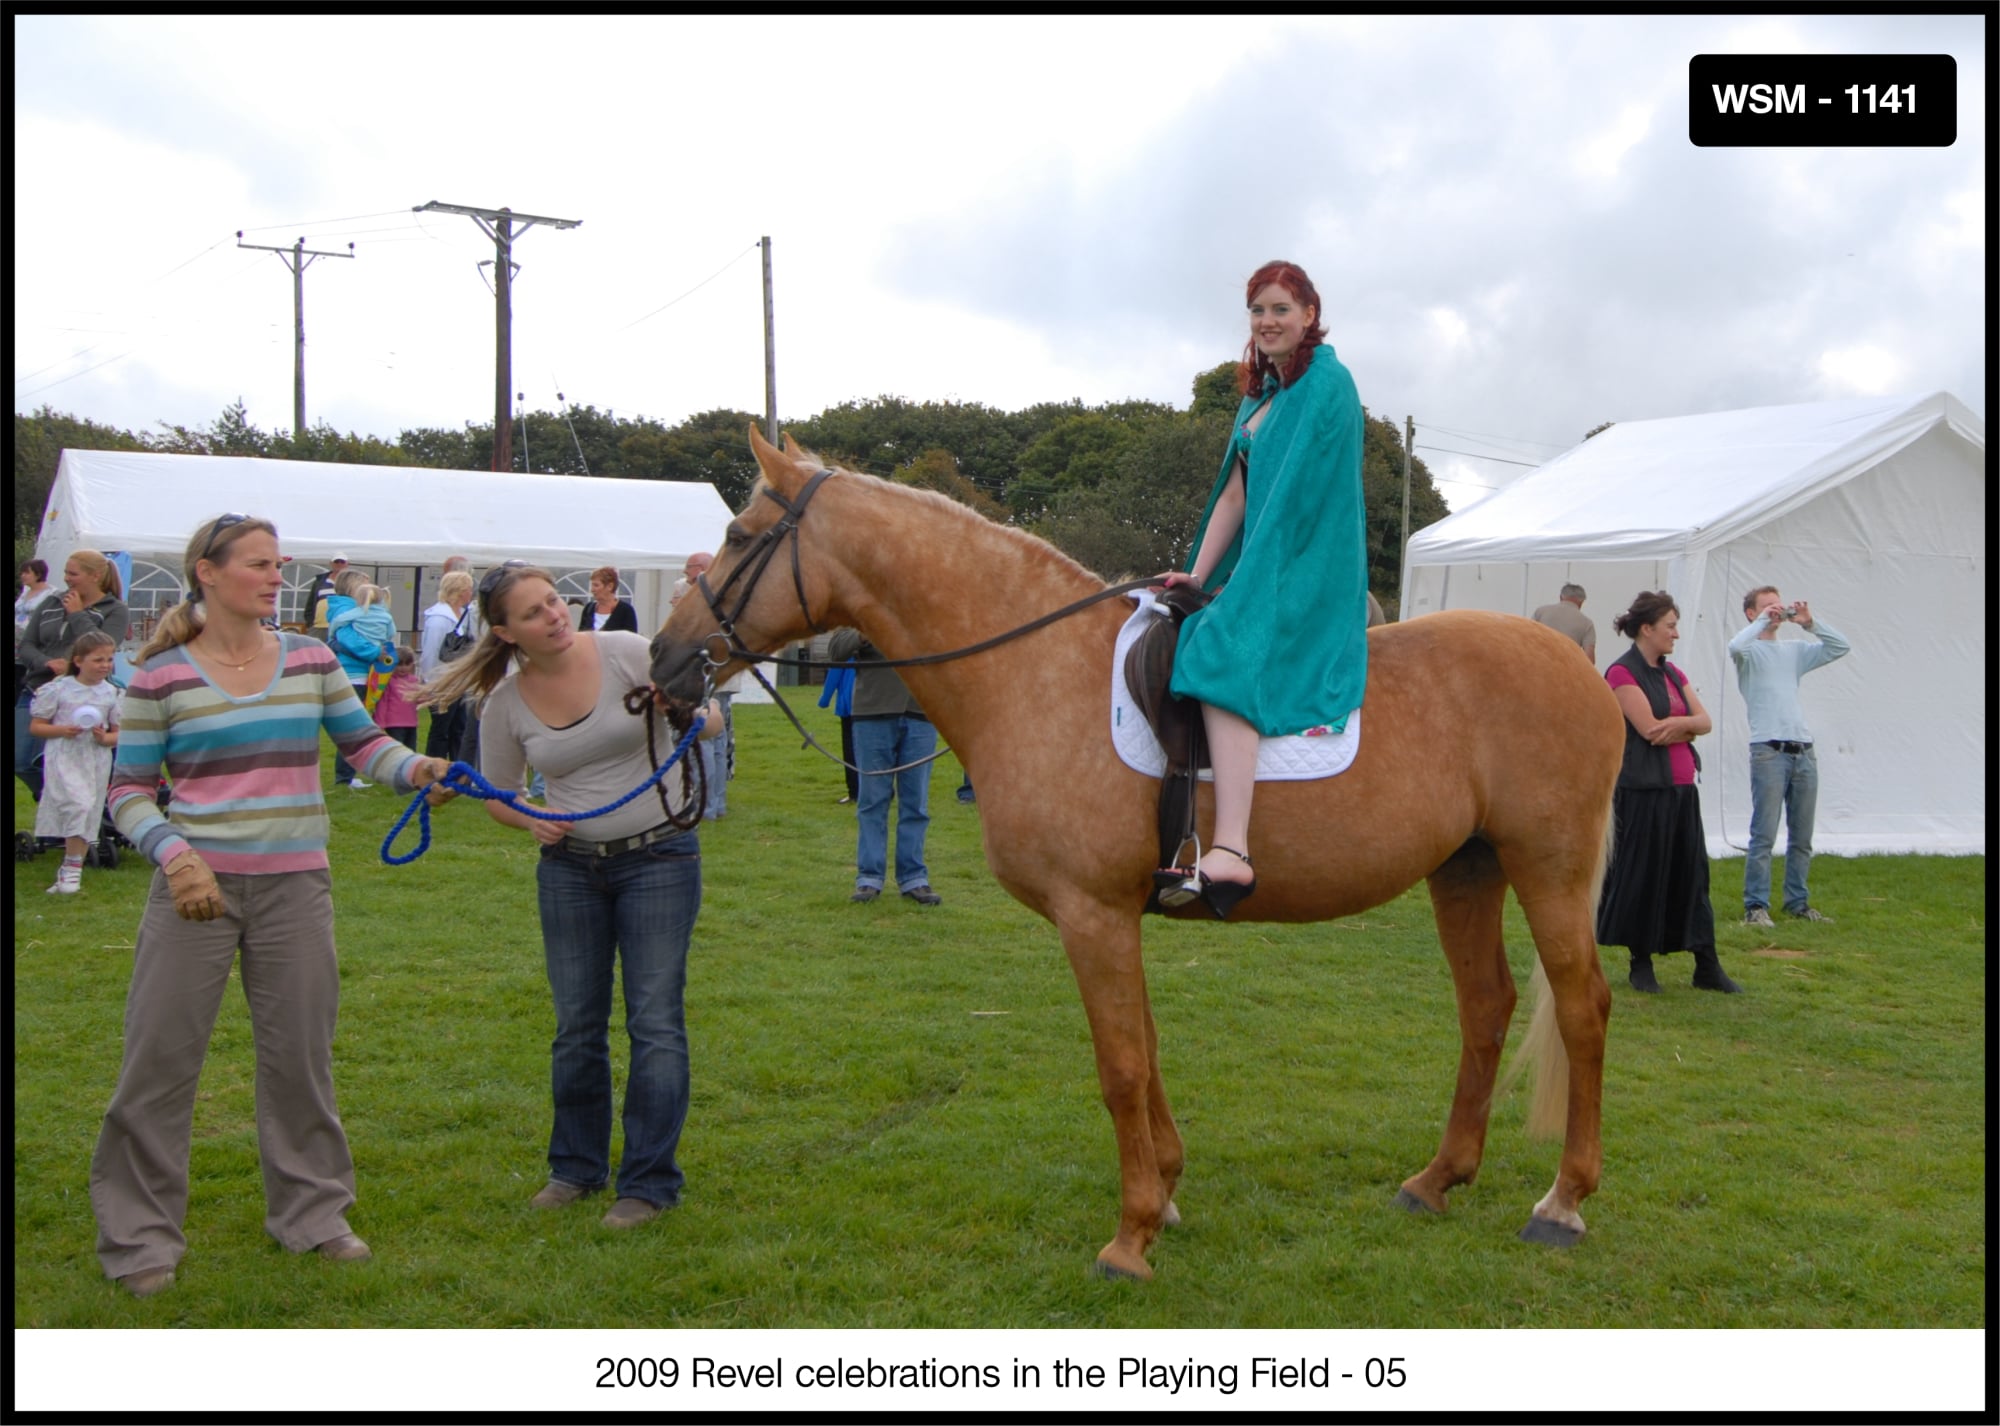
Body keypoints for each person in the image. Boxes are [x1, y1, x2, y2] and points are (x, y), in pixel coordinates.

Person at [89, 513, 453, 1298]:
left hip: (296, 887)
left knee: (301, 1062)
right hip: (194, 892)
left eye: (279, 563)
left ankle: (314, 1215)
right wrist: (176, 856)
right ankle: (139, 1234)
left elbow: (363, 747)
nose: (276, 575)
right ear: (207, 574)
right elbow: (127, 791)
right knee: (157, 1064)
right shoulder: (161, 677)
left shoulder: (312, 657)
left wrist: (416, 765)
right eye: (259, 563)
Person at [423, 563, 722, 1228]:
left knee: (655, 1022)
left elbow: (713, 720)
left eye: (554, 601)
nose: (554, 616)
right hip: (570, 871)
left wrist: (694, 715)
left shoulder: (624, 652)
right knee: (577, 1028)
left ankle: (648, 1183)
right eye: (532, 613)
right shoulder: (503, 703)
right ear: (504, 632)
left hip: (660, 859)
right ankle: (575, 1170)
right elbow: (498, 792)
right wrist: (529, 818)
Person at [1154, 259, 1368, 918]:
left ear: (1309, 315)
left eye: (1281, 309)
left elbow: (1300, 502)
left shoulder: (1328, 384)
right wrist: (1200, 571)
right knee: (1165, 615)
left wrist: (1243, 587)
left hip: (1309, 565)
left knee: (1222, 644)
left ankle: (1233, 850)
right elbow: (1238, 494)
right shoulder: (1261, 395)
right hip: (1266, 557)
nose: (1268, 322)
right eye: (1258, 311)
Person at [1594, 590, 1741, 995]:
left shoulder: (1674, 674)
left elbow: (1705, 721)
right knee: (1644, 875)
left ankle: (1705, 964)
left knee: (1692, 877)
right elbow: (1649, 730)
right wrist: (1685, 725)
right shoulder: (1622, 673)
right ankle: (1640, 962)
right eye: (1670, 626)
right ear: (1647, 629)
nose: (1676, 634)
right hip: (1643, 792)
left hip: (1681, 792)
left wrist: (1680, 724)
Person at [1728, 587, 1851, 926]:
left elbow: (1840, 646)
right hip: (1768, 750)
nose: (1776, 611)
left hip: (1803, 751)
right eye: (1767, 606)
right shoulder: (1749, 652)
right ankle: (1756, 906)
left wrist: (1810, 623)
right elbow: (1735, 645)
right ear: (1751, 613)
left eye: (1778, 605)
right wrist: (1762, 622)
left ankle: (1797, 903)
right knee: (1764, 834)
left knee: (1802, 836)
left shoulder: (1794, 651)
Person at [827, 628, 940, 906]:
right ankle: (869, 877)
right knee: (872, 801)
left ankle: (914, 877)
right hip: (872, 716)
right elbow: (836, 649)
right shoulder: (865, 604)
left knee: (916, 803)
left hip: (921, 714)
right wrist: (864, 634)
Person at [17, 549, 130, 802]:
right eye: (66, 572)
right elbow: (26, 644)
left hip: (86, 694)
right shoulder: (52, 602)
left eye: (73, 573)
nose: (66, 578)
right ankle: (61, 801)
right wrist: (46, 662)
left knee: (76, 759)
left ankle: (73, 811)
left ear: (95, 576)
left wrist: (78, 615)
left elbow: (105, 647)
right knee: (20, 759)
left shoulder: (114, 610)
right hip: (40, 687)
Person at [28, 629, 121, 894]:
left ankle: (72, 868)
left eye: (109, 660)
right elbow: (37, 726)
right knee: (77, 804)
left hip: (94, 759)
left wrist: (105, 738)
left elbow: (118, 732)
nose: (105, 665)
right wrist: (62, 730)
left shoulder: (111, 693)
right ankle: (71, 870)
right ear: (78, 661)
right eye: (98, 660)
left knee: (88, 808)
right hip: (65, 756)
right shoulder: (59, 689)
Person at [327, 574, 398, 789]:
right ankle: (344, 776)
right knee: (353, 728)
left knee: (361, 726)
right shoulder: (345, 611)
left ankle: (349, 774)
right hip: (354, 673)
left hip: (366, 673)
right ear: (352, 589)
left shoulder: (356, 611)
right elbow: (349, 641)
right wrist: (376, 652)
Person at [419, 570, 477, 762]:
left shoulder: (464, 614)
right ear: (460, 591)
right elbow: (430, 652)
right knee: (441, 729)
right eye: (468, 589)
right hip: (442, 682)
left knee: (459, 728)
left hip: (460, 681)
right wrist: (431, 683)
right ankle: (433, 768)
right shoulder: (439, 618)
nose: (471, 593)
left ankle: (456, 769)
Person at [1531, 583, 1596, 662]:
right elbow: (1590, 659)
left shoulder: (1540, 612)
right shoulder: (1587, 623)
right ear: (1581, 602)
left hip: (1537, 664)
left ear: (1561, 597)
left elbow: (1527, 638)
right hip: (1565, 669)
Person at [374, 646, 421, 749]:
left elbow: (419, 700)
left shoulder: (414, 681)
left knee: (411, 752)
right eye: (399, 664)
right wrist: (380, 724)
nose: (403, 668)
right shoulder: (388, 681)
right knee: (396, 752)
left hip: (411, 723)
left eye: (407, 664)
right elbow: (382, 703)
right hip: (393, 725)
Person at [578, 565, 638, 634]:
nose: (592, 590)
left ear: (610, 586)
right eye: (592, 585)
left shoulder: (626, 611)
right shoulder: (588, 608)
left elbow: (631, 639)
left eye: (596, 585)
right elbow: (581, 635)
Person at [302, 554, 348, 638]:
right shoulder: (320, 581)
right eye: (336, 561)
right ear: (331, 563)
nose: (339, 564)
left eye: (342, 562)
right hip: (320, 626)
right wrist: (310, 623)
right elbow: (310, 603)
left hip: (342, 626)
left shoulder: (351, 581)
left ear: (347, 564)